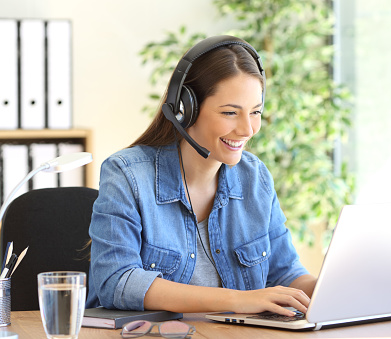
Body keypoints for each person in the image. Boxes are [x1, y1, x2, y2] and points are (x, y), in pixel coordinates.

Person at [86, 35, 317, 317]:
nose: (248, 129)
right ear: (186, 109)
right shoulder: (127, 174)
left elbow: (286, 272)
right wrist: (237, 300)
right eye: (230, 112)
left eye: (255, 112)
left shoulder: (255, 178)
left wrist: (331, 287)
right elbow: (116, 280)